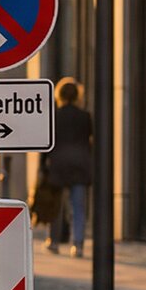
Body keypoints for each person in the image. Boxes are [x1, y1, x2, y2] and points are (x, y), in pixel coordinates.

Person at [46, 77, 95, 258]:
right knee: (78, 207)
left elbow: (47, 143)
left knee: (56, 207)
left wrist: (43, 165)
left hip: (58, 164)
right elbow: (90, 140)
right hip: (80, 164)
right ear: (77, 96)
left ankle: (54, 241)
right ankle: (78, 244)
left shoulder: (54, 115)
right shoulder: (85, 116)